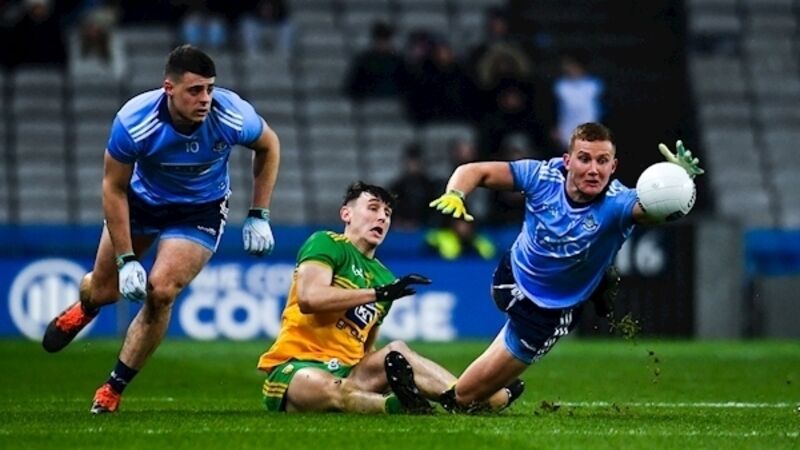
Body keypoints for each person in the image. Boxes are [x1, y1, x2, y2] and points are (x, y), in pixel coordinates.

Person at [41, 44, 281, 414]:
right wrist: (126, 260)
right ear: (169, 88)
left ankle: (112, 389)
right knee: (104, 291)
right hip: (142, 203)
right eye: (194, 90)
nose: (205, 99)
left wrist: (259, 213)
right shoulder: (134, 121)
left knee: (162, 290)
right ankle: (87, 307)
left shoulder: (231, 114)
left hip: (199, 209)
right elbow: (113, 188)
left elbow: (269, 145)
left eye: (209, 89)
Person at [429, 122, 704, 411]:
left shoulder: (619, 203)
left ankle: (411, 365)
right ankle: (597, 283)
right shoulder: (540, 176)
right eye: (584, 159)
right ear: (567, 161)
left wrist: (680, 184)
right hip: (509, 279)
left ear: (613, 166)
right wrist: (455, 193)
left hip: (546, 313)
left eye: (602, 161)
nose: (594, 170)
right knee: (466, 397)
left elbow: (658, 211)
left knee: (463, 398)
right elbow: (474, 171)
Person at [257, 182, 523, 414]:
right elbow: (309, 298)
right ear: (346, 214)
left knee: (397, 349)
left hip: (350, 369)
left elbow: (365, 347)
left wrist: (383, 372)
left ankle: (465, 395)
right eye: (373, 208)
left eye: (387, 213)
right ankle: (397, 406)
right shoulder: (328, 243)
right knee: (334, 389)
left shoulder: (384, 277)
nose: (382, 218)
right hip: (298, 367)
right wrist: (376, 294)